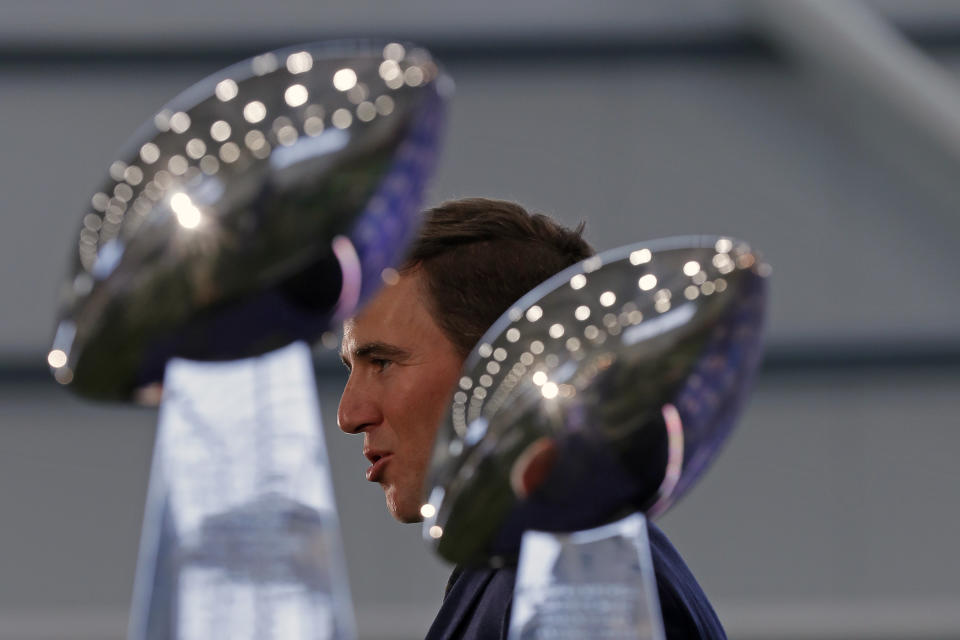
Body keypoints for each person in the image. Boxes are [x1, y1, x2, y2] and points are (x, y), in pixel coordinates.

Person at [337, 198, 726, 639]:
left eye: (383, 362)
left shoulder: (574, 568)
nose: (350, 415)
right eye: (352, 369)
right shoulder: (525, 561)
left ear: (506, 371)